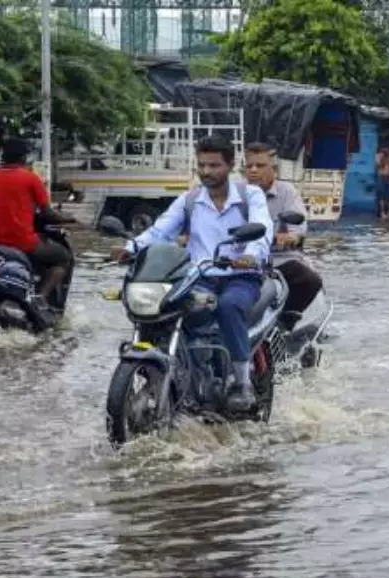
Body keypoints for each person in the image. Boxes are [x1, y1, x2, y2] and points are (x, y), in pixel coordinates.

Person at [112, 135, 273, 412]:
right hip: (200, 276)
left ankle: (242, 383)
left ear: (231, 165)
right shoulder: (190, 200)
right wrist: (130, 248)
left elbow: (262, 227)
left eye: (214, 165)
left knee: (229, 306)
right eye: (202, 165)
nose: (207, 172)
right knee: (167, 308)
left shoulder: (250, 195)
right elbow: (161, 231)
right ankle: (181, 371)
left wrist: (250, 255)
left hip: (240, 276)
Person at [0, 137, 75, 311]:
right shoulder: (31, 179)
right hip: (24, 243)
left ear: (3, 158)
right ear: (23, 158)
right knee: (64, 258)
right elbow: (47, 213)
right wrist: (68, 218)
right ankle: (41, 298)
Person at [243, 142, 323, 329]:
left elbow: (298, 231)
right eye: (249, 166)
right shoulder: (236, 192)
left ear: (274, 170)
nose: (254, 170)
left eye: (260, 166)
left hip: (279, 260)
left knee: (310, 280)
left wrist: (284, 238)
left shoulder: (286, 192)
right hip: (243, 262)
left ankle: (287, 320)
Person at [375, 144, 389, 219]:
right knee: (382, 195)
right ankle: (382, 212)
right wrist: (382, 157)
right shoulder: (378, 156)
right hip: (382, 177)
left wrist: (387, 156)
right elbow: (380, 165)